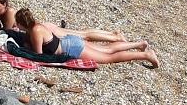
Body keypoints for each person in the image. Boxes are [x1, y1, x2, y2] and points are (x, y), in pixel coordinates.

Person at [13, 7, 160, 68]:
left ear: (21, 23)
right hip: (71, 41)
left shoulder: (35, 32)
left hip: (72, 48)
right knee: (107, 49)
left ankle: (145, 54)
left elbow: (39, 55)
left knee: (109, 57)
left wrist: (26, 49)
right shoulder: (37, 26)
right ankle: (139, 44)